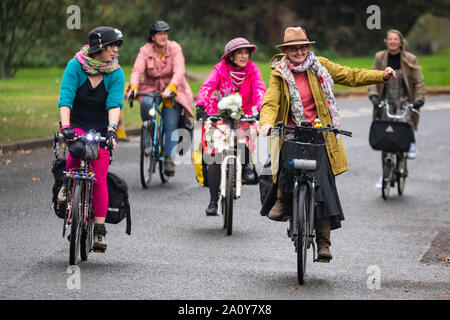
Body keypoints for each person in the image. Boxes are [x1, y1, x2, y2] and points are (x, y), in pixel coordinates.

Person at [259, 26, 396, 261]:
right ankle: (282, 200)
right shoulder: (279, 72)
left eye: (302, 47)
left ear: (308, 48)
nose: (299, 51)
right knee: (284, 157)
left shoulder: (320, 66)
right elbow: (271, 102)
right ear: (286, 51)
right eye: (294, 48)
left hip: (319, 132)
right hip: (292, 130)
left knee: (321, 180)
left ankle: (323, 243)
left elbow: (351, 75)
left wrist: (380, 75)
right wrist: (266, 123)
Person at [58, 26, 125, 251]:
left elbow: (114, 104)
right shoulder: (75, 66)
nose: (116, 50)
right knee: (74, 153)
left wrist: (112, 129)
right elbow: (66, 98)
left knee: (99, 174)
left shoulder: (116, 72)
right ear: (98, 48)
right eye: (112, 46)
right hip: (75, 124)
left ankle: (99, 229)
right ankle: (68, 186)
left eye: (117, 46)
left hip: (101, 129)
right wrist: (66, 127)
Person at [195, 37, 266, 216]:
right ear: (231, 56)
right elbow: (207, 87)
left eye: (246, 52)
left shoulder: (253, 70)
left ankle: (247, 166)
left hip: (243, 113)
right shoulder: (219, 69)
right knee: (215, 155)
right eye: (239, 53)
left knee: (247, 129)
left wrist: (261, 108)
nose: (244, 56)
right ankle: (213, 201)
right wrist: (201, 105)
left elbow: (259, 90)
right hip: (217, 113)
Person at [127, 20, 194, 176]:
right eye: (159, 34)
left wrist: (171, 88)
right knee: (146, 104)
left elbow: (179, 71)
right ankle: (150, 129)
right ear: (152, 36)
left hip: (173, 89)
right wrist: (134, 87)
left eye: (165, 33)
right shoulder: (145, 50)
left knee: (171, 123)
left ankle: (169, 157)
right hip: (151, 87)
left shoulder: (175, 48)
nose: (163, 36)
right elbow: (137, 70)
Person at [368, 29, 425, 188]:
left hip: (404, 100)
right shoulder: (380, 57)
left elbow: (419, 82)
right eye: (390, 39)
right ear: (386, 41)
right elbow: (373, 77)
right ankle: (384, 174)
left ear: (401, 42)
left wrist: (419, 100)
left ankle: (411, 144)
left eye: (395, 39)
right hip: (386, 101)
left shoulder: (409, 58)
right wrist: (373, 96)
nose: (392, 42)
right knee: (385, 135)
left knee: (405, 124)